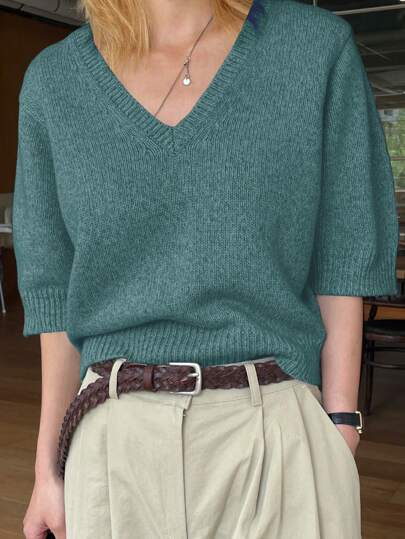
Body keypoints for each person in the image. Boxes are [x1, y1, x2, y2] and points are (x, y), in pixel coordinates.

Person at [13, 0, 398, 538]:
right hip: (112, 444)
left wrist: (340, 423)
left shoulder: (313, 49)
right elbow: (56, 296)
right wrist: (48, 471)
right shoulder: (54, 83)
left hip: (277, 430)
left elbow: (342, 253)